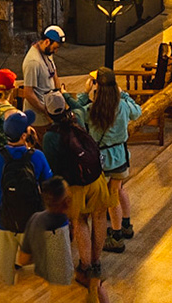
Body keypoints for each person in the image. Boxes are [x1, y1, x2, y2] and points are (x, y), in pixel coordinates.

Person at [67, 67, 143, 252]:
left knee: (111, 198)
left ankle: (116, 237)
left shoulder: (92, 109)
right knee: (119, 190)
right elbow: (138, 112)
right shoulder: (122, 106)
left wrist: (85, 93)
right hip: (120, 157)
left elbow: (77, 112)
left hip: (101, 159)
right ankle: (125, 225)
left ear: (97, 88)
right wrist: (123, 93)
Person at [0, 110, 54, 284]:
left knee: (1, 275)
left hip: (2, 222)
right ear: (24, 134)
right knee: (35, 270)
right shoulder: (38, 156)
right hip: (31, 221)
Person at [42, 95, 109, 284]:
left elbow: (52, 168)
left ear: (47, 113)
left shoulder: (50, 136)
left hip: (75, 186)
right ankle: (96, 262)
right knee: (99, 216)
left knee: (80, 221)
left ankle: (85, 267)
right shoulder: (76, 119)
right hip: (96, 178)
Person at [24, 176, 75, 286]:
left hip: (42, 279)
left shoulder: (36, 220)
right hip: (61, 280)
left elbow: (23, 258)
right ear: (65, 201)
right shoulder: (64, 219)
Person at [21, 25, 65, 117]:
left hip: (51, 111)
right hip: (38, 118)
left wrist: (60, 97)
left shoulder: (47, 52)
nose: (56, 51)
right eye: (55, 48)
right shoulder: (33, 62)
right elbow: (28, 93)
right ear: (47, 41)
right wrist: (45, 111)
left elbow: (54, 75)